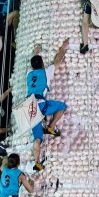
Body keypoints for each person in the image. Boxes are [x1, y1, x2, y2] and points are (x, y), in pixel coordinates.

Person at [26, 39, 69, 171]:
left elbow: (33, 63)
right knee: (62, 106)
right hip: (40, 105)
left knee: (37, 138)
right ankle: (51, 126)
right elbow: (58, 59)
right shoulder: (46, 72)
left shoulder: (29, 74)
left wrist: (35, 52)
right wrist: (63, 46)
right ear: (43, 63)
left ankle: (37, 163)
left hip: (29, 107)